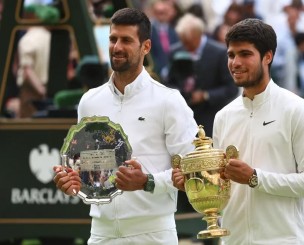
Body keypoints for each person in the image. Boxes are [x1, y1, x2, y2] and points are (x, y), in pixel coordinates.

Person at [172, 18, 304, 244]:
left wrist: (255, 177)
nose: (235, 62)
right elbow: (225, 183)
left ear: (268, 56)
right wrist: (194, 182)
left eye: (245, 54)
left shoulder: (300, 110)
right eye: (231, 55)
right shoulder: (224, 116)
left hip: (284, 239)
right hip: (235, 239)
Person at [53, 8, 198, 245]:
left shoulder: (169, 101)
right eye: (113, 39)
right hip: (101, 232)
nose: (117, 47)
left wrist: (147, 181)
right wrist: (72, 182)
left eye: (127, 40)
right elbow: (90, 171)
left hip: (152, 234)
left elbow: (194, 170)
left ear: (146, 47)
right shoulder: (90, 101)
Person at [166, 13, 238, 137]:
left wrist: (205, 95)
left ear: (198, 35)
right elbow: (169, 82)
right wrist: (180, 94)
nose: (186, 46)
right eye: (183, 42)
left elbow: (231, 89)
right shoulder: (176, 51)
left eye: (188, 42)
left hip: (212, 121)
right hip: (183, 122)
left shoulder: (220, 53)